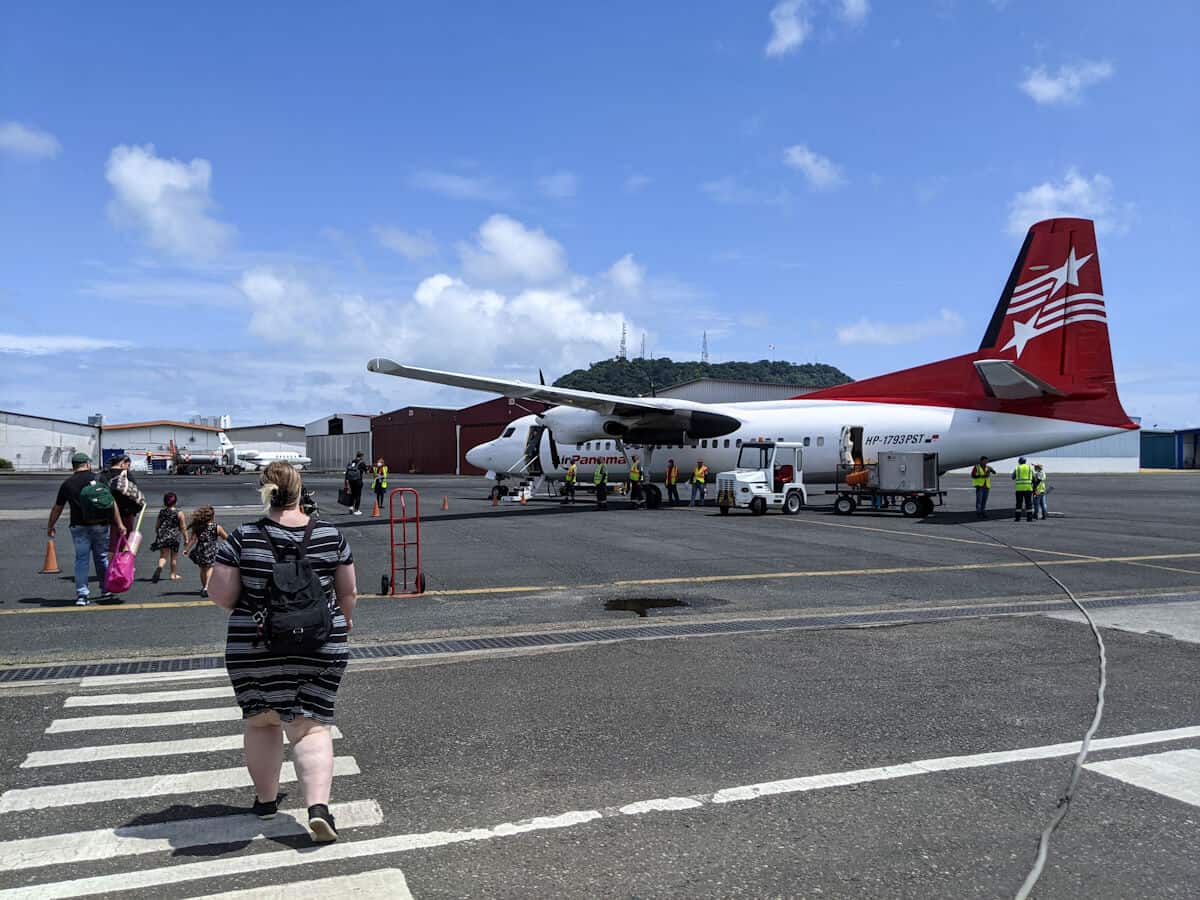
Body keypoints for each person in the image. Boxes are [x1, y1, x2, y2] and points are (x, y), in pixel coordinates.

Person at [208, 461, 357, 844]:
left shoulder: (243, 537)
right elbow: (348, 593)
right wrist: (346, 621)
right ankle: (319, 809)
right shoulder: (330, 534)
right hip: (321, 644)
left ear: (264, 490)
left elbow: (222, 596)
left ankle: (266, 800)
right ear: (300, 490)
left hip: (255, 644)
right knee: (311, 726)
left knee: (262, 721)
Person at [46, 452, 119, 605]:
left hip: (78, 526)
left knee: (81, 560)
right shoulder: (99, 478)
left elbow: (57, 508)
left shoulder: (67, 484)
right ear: (87, 464)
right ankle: (105, 589)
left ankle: (82, 595)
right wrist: (119, 524)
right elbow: (111, 502)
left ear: (73, 466)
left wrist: (51, 525)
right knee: (101, 558)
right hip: (100, 524)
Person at [101, 454, 146, 557]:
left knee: (111, 544)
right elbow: (135, 493)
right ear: (122, 464)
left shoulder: (103, 475)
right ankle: (122, 566)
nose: (129, 467)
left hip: (108, 514)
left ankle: (110, 567)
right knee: (125, 542)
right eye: (128, 465)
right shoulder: (126, 475)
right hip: (126, 514)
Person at [184, 505, 228, 597]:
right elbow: (226, 538)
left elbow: (193, 539)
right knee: (210, 568)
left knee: (203, 569)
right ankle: (207, 587)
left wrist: (186, 549)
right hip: (212, 551)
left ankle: (204, 587)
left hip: (200, 550)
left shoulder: (198, 527)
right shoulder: (217, 527)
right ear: (212, 517)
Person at [150, 492, 187, 583]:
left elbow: (157, 525)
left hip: (163, 536)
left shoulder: (162, 512)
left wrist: (158, 533)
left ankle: (160, 567)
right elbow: (183, 527)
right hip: (174, 537)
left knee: (163, 556)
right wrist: (186, 538)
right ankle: (173, 574)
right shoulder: (179, 513)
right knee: (173, 557)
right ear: (175, 502)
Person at [1012, 456, 1035, 523]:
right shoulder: (1030, 468)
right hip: (1028, 488)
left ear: (1019, 462)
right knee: (1028, 503)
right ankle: (1029, 518)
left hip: (1019, 489)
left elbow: (1013, 477)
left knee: (1019, 503)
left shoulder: (1017, 468)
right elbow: (1034, 478)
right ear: (1025, 461)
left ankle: (1017, 518)